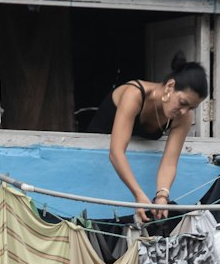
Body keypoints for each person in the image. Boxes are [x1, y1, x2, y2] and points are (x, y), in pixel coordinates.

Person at [87, 52, 209, 225]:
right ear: (169, 87)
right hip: (96, 157)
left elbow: (169, 162)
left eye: (191, 107)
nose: (184, 111)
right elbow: (116, 152)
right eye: (182, 102)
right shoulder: (134, 94)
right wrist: (138, 194)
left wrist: (162, 195)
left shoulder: (183, 117)